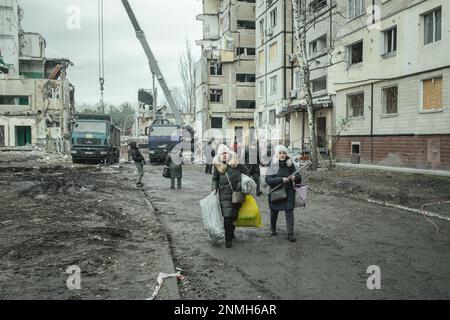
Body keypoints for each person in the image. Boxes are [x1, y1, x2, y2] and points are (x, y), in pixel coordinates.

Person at [212, 144, 248, 248]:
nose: (224, 155)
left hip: (238, 193)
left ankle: (231, 233)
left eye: (226, 153)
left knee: (234, 216)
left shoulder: (237, 163)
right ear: (219, 155)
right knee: (227, 216)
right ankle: (228, 239)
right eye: (222, 153)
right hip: (224, 195)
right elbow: (215, 179)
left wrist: (243, 184)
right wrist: (214, 189)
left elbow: (246, 174)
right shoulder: (217, 165)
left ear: (229, 153)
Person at [265, 145, 302, 242]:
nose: (282, 155)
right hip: (276, 192)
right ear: (276, 155)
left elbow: (298, 176)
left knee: (289, 211)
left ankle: (290, 234)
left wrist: (295, 178)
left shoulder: (290, 164)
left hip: (289, 191)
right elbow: (268, 180)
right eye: (280, 153)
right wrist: (281, 179)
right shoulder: (272, 165)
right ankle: (273, 228)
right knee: (274, 211)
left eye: (284, 153)